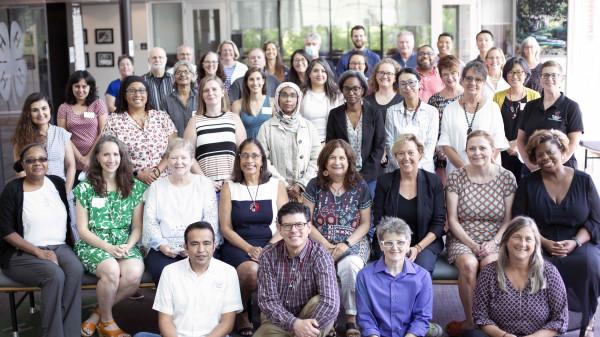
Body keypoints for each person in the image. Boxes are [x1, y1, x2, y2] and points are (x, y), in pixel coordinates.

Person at [513, 129, 600, 337]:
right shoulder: (527, 183)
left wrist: (575, 243)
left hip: (579, 240)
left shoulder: (584, 180)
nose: (545, 158)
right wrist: (542, 242)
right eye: (539, 155)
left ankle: (587, 319)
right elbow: (519, 220)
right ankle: (541, 322)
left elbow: (596, 220)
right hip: (537, 240)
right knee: (536, 265)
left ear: (562, 151)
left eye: (549, 152)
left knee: (590, 263)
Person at [0, 144, 83, 337]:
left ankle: (70, 333)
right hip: (21, 252)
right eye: (31, 160)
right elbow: (5, 230)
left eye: (42, 159)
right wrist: (38, 252)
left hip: (59, 247)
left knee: (75, 269)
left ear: (48, 162)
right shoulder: (12, 190)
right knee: (54, 275)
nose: (38, 163)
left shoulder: (56, 183)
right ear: (22, 164)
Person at [444, 131, 517, 336]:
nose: (477, 153)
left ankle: (490, 321)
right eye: (472, 148)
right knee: (469, 264)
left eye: (482, 148)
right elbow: (453, 220)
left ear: (492, 150)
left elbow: (508, 220)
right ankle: (471, 321)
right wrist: (472, 244)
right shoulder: (456, 177)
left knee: (489, 265)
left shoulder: (506, 177)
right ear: (466, 151)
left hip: (496, 237)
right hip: (462, 237)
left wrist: (493, 243)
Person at [74, 135, 146, 337]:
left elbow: (138, 227)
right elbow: (82, 230)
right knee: (111, 270)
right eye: (106, 154)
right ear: (97, 158)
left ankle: (96, 315)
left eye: (116, 154)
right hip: (93, 244)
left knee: (133, 275)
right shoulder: (85, 188)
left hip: (124, 244)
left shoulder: (134, 187)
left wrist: (129, 245)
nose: (111, 159)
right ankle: (107, 322)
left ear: (122, 157)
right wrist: (107, 247)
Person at [302, 140, 373, 337]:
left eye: (342, 157)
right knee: (320, 267)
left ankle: (350, 318)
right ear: (325, 162)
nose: (337, 162)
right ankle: (328, 318)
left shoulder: (360, 186)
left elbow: (365, 223)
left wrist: (346, 244)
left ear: (349, 161)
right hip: (319, 241)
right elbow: (306, 221)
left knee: (350, 267)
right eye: (332, 157)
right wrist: (325, 245)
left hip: (352, 242)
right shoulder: (314, 185)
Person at [219, 138, 288, 336]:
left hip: (271, 242)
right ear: (239, 160)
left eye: (255, 155)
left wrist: (267, 247)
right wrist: (249, 249)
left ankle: (271, 312)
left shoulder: (276, 185)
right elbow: (226, 228)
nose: (250, 160)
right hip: (238, 245)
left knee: (272, 267)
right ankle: (243, 310)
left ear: (262, 160)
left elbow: (285, 224)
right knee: (251, 271)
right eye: (245, 155)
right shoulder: (229, 186)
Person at [134, 222, 243, 337]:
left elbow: (227, 323)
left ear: (214, 246)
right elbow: (165, 321)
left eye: (206, 244)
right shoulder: (169, 272)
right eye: (195, 244)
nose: (201, 250)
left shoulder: (228, 272)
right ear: (185, 247)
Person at [468, 216, 569, 337]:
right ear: (506, 240)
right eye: (517, 237)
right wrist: (504, 335)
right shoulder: (489, 273)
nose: (522, 244)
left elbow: (560, 319)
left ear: (535, 243)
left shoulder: (549, 273)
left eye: (528, 239)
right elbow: (480, 317)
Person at [256, 202, 340, 337]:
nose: (294, 230)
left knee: (320, 301)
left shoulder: (321, 255)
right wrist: (294, 325)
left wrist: (304, 331)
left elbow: (331, 303)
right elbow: (268, 303)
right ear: (280, 229)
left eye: (299, 225)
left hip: (311, 319)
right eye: (287, 225)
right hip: (278, 321)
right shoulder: (268, 255)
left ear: (309, 227)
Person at [142, 138, 220, 284]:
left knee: (201, 273)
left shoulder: (204, 184)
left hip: (199, 247)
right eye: (174, 158)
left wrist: (194, 246)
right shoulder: (157, 187)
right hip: (164, 248)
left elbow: (211, 219)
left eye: (184, 158)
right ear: (167, 160)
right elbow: (150, 220)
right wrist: (162, 246)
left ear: (191, 161)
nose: (179, 162)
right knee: (164, 273)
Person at [373, 134, 445, 272]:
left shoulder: (434, 181)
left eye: (411, 153)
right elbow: (379, 221)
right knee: (392, 265)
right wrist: (398, 246)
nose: (406, 158)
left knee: (421, 268)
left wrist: (417, 248)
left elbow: (438, 222)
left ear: (420, 154)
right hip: (390, 239)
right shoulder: (384, 181)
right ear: (395, 156)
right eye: (401, 153)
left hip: (425, 241)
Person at [356, 217, 434, 337]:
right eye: (388, 243)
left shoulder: (423, 276)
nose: (395, 248)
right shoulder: (364, 276)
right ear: (381, 245)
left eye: (400, 242)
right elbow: (366, 319)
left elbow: (421, 318)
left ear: (408, 244)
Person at [102, 75, 179, 186]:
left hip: (165, 182)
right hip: (129, 184)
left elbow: (174, 148)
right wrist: (137, 174)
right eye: (132, 91)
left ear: (147, 94)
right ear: (124, 95)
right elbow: (107, 154)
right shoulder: (113, 121)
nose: (137, 94)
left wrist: (157, 171)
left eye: (142, 90)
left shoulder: (161, 117)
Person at [438, 61, 509, 176]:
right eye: (469, 78)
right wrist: (466, 170)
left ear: (484, 83)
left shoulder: (493, 108)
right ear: (462, 80)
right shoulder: (449, 109)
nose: (472, 83)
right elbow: (446, 144)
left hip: (487, 173)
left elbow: (498, 142)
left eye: (478, 80)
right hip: (457, 173)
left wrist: (481, 167)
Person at [516, 60, 583, 175]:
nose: (549, 78)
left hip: (562, 170)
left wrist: (552, 165)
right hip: (532, 170)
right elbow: (521, 140)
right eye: (545, 75)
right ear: (540, 80)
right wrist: (530, 165)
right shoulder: (530, 106)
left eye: (554, 75)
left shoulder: (571, 107)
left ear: (561, 79)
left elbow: (573, 143)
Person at [257, 82, 322, 201]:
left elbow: (317, 158)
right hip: (277, 190)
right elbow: (263, 159)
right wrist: (284, 185)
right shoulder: (266, 127)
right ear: (277, 98)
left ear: (298, 99)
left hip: (306, 191)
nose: (288, 99)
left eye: (293, 96)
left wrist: (301, 184)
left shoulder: (308, 126)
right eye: (284, 95)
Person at [183, 76, 246, 193]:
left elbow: (244, 152)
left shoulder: (234, 118)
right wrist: (205, 180)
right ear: (201, 95)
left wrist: (233, 176)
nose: (210, 93)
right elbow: (187, 155)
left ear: (223, 92)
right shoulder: (194, 121)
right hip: (205, 187)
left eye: (214, 89)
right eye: (206, 90)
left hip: (233, 184)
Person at [327, 70, 385, 197]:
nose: (351, 93)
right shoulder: (334, 114)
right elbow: (331, 146)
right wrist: (344, 173)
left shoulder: (375, 113)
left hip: (370, 177)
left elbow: (379, 146)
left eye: (356, 89)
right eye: (346, 89)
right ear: (342, 90)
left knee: (368, 214)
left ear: (363, 90)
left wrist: (362, 176)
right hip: (341, 174)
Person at [10, 92, 76, 195]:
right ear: (28, 113)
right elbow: (20, 171)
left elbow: (71, 165)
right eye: (35, 110)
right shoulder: (21, 138)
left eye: (44, 108)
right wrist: (31, 193)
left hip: (61, 190)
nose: (41, 114)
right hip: (34, 194)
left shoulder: (61, 133)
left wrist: (66, 190)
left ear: (50, 109)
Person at [492, 57, 540, 182]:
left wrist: (517, 144)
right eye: (511, 72)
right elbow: (494, 124)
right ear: (506, 75)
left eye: (519, 72)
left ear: (525, 74)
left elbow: (536, 125)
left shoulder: (534, 96)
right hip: (503, 150)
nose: (515, 76)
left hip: (526, 151)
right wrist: (506, 144)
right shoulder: (498, 96)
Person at [385, 68, 439, 173]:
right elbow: (389, 143)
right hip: (397, 170)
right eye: (403, 84)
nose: (408, 87)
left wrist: (415, 168)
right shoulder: (391, 111)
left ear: (419, 83)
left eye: (411, 83)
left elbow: (430, 145)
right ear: (398, 87)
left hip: (423, 170)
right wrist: (401, 166)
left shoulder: (431, 112)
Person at [57, 70, 108, 180]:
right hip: (73, 160)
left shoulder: (98, 104)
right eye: (77, 86)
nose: (80, 90)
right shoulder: (63, 108)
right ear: (71, 87)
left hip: (97, 157)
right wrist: (80, 158)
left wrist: (89, 157)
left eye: (84, 86)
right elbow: (64, 136)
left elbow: (103, 132)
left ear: (90, 87)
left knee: (98, 193)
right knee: (76, 194)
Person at [428, 55, 464, 181]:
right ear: (440, 76)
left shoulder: (468, 95)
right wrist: (439, 148)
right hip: (441, 152)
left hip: (465, 149)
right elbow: (431, 128)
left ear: (459, 72)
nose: (450, 78)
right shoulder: (434, 99)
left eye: (453, 73)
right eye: (445, 74)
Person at [301, 58, 344, 143]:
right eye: (315, 71)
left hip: (331, 144)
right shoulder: (301, 94)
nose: (319, 74)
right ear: (309, 74)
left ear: (328, 74)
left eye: (323, 71)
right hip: (307, 143)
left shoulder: (338, 95)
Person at [231, 67, 275, 138]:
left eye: (258, 79)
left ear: (263, 80)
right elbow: (235, 132)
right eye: (251, 79)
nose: (255, 83)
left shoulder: (272, 102)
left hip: (267, 145)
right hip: (246, 145)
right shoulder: (237, 104)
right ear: (246, 82)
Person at [160, 60, 198, 137]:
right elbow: (164, 127)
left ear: (192, 76)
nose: (183, 74)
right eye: (179, 72)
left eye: (186, 72)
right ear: (174, 77)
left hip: (198, 144)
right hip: (175, 145)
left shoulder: (200, 98)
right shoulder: (166, 100)